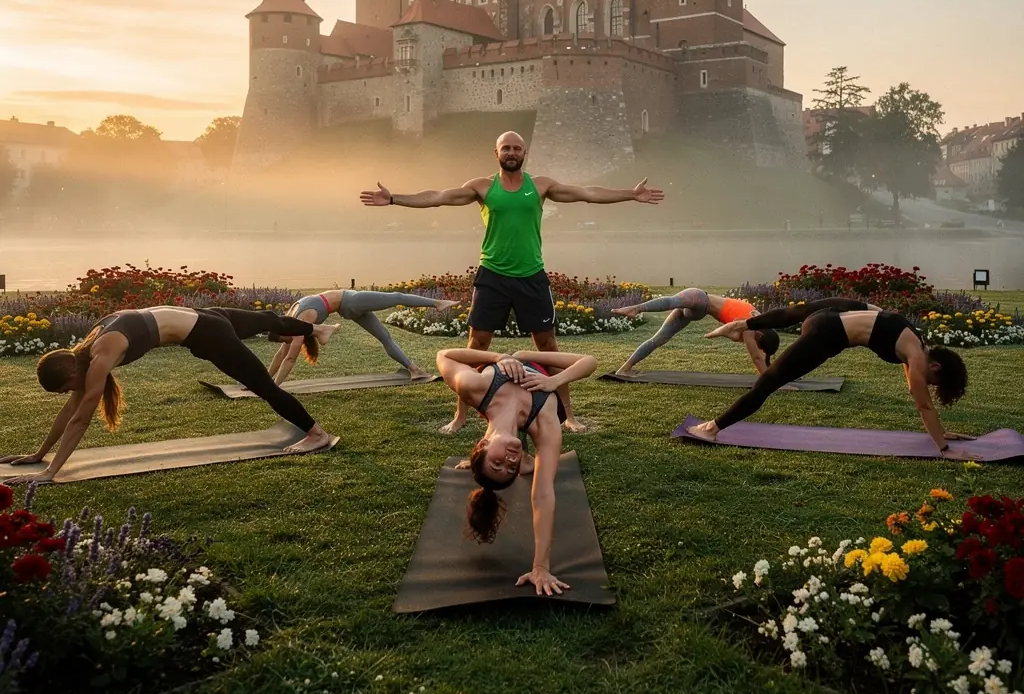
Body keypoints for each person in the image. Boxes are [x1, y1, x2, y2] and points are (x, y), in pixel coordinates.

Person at [360, 130, 664, 433]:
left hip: (532, 276)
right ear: (497, 154)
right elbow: (438, 197)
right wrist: (394, 199)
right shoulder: (482, 187)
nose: (512, 152)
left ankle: (569, 415)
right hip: (492, 276)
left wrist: (630, 194)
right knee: (476, 345)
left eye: (517, 148)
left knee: (548, 346)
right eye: (506, 148)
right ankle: (460, 416)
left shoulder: (541, 185)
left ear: (524, 153)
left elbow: (587, 193)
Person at [0, 306, 340, 485]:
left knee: (264, 387)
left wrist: (50, 472)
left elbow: (80, 416)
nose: (69, 394)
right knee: (267, 319)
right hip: (206, 316)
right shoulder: (87, 348)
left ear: (71, 374)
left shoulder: (101, 355)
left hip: (208, 333)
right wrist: (39, 453)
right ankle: (317, 329)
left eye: (65, 388)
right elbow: (71, 411)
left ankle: (316, 434)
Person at [689, 297, 972, 456]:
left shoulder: (915, 342)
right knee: (770, 383)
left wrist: (939, 431)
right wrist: (945, 449)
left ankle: (741, 325)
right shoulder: (918, 358)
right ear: (936, 368)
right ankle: (713, 427)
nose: (930, 385)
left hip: (830, 314)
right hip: (827, 334)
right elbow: (923, 403)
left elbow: (915, 390)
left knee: (794, 312)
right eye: (936, 383)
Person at [435, 346, 598, 596]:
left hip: (504, 373)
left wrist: (499, 358)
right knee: (522, 360)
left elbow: (443, 355)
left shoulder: (473, 386)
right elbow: (542, 496)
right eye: (510, 467)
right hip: (538, 388)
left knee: (520, 356)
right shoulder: (545, 423)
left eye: (497, 463)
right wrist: (540, 567)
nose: (508, 461)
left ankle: (511, 462)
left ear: (482, 444)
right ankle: (523, 463)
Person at [267, 289, 459, 384]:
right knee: (397, 296)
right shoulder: (294, 318)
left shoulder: (298, 319)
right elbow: (287, 356)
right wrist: (271, 385)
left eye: (288, 339)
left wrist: (268, 385)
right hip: (351, 302)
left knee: (384, 337)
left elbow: (286, 355)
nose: (292, 342)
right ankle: (437, 303)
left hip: (349, 307)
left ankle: (414, 370)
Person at [610, 289, 780, 375]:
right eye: (758, 343)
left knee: (659, 339)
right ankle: (635, 308)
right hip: (700, 298)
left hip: (697, 311)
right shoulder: (750, 328)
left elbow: (760, 355)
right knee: (673, 301)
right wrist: (769, 381)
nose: (754, 344)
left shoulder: (759, 320)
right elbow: (756, 357)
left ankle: (625, 368)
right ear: (760, 335)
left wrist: (772, 373)